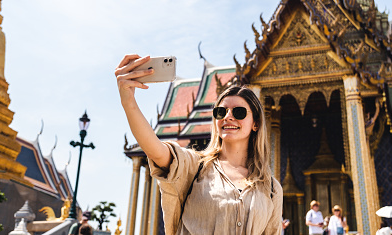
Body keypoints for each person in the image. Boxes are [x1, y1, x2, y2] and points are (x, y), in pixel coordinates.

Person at [115, 54, 283, 234]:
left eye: (239, 112)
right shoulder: (195, 168)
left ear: (256, 123)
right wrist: (129, 102)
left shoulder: (271, 188)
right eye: (221, 112)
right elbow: (156, 150)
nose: (228, 117)